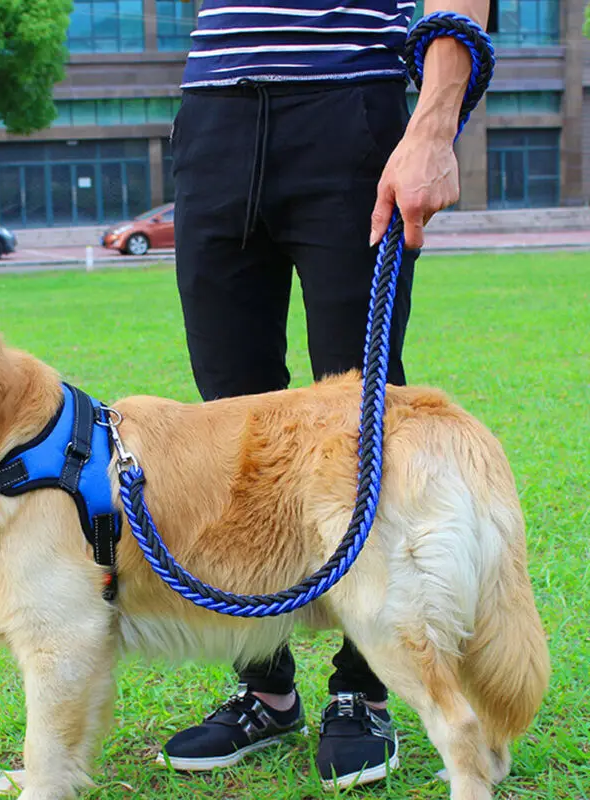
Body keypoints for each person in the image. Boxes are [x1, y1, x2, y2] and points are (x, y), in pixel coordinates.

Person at [161, 0, 490, 790]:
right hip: (213, 114)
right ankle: (266, 687)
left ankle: (363, 687)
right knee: (227, 429)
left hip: (348, 109)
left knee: (359, 419)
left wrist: (434, 123)